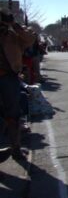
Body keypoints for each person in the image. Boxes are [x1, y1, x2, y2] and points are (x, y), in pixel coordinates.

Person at [0, 8, 37, 158]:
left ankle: (16, 148)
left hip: (9, 77)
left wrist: (15, 25)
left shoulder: (12, 36)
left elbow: (30, 39)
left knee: (13, 114)